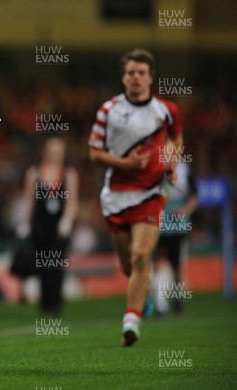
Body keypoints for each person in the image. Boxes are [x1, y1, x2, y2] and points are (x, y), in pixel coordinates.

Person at [88, 49, 183, 347]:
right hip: (116, 195)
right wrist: (126, 164)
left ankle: (131, 321)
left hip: (151, 193)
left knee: (142, 255)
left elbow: (176, 138)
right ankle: (144, 296)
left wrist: (171, 162)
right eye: (131, 72)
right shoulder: (108, 110)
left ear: (151, 78)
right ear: (123, 77)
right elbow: (95, 153)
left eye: (141, 72)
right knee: (129, 265)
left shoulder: (166, 110)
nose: (136, 77)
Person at [16, 137, 78, 315]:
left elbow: (71, 201)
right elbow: (28, 201)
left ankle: (56, 303)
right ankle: (44, 304)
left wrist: (67, 221)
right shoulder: (35, 172)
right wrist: (24, 223)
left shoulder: (68, 173)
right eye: (51, 151)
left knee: (56, 265)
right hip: (40, 224)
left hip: (58, 226)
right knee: (42, 265)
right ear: (45, 152)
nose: (54, 155)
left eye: (58, 152)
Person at [152, 162, 197, 315]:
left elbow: (195, 196)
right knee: (157, 265)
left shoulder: (185, 170)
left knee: (177, 267)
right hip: (158, 228)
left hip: (178, 228)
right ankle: (161, 307)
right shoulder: (155, 168)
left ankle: (177, 300)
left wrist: (184, 211)